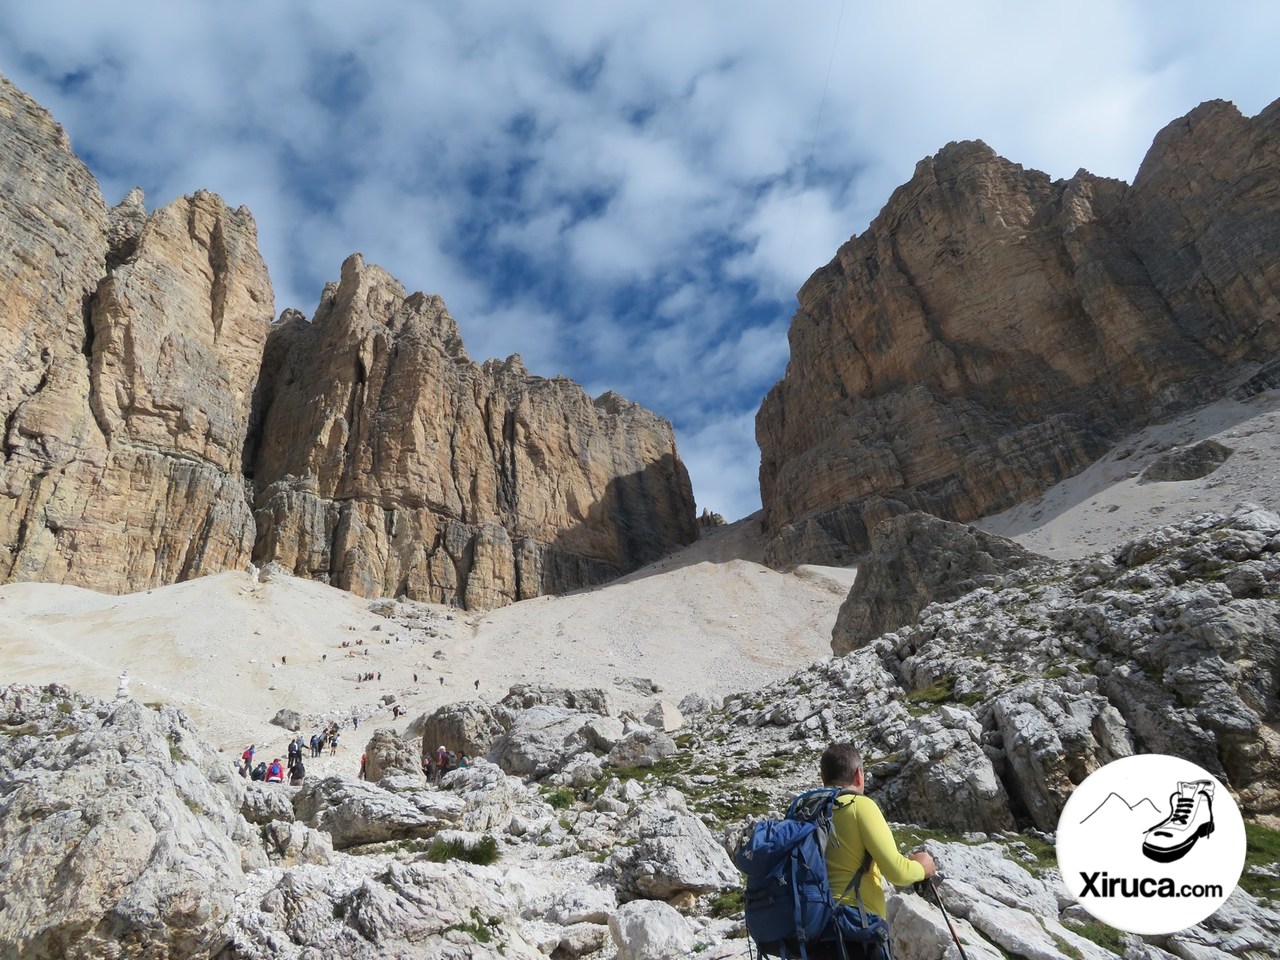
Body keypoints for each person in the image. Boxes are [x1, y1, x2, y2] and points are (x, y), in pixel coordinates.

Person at [820, 742, 935, 921]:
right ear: (859, 775)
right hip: (853, 924)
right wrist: (923, 867)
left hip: (808, 928)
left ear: (823, 776)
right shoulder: (859, 805)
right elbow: (897, 872)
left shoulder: (803, 810)